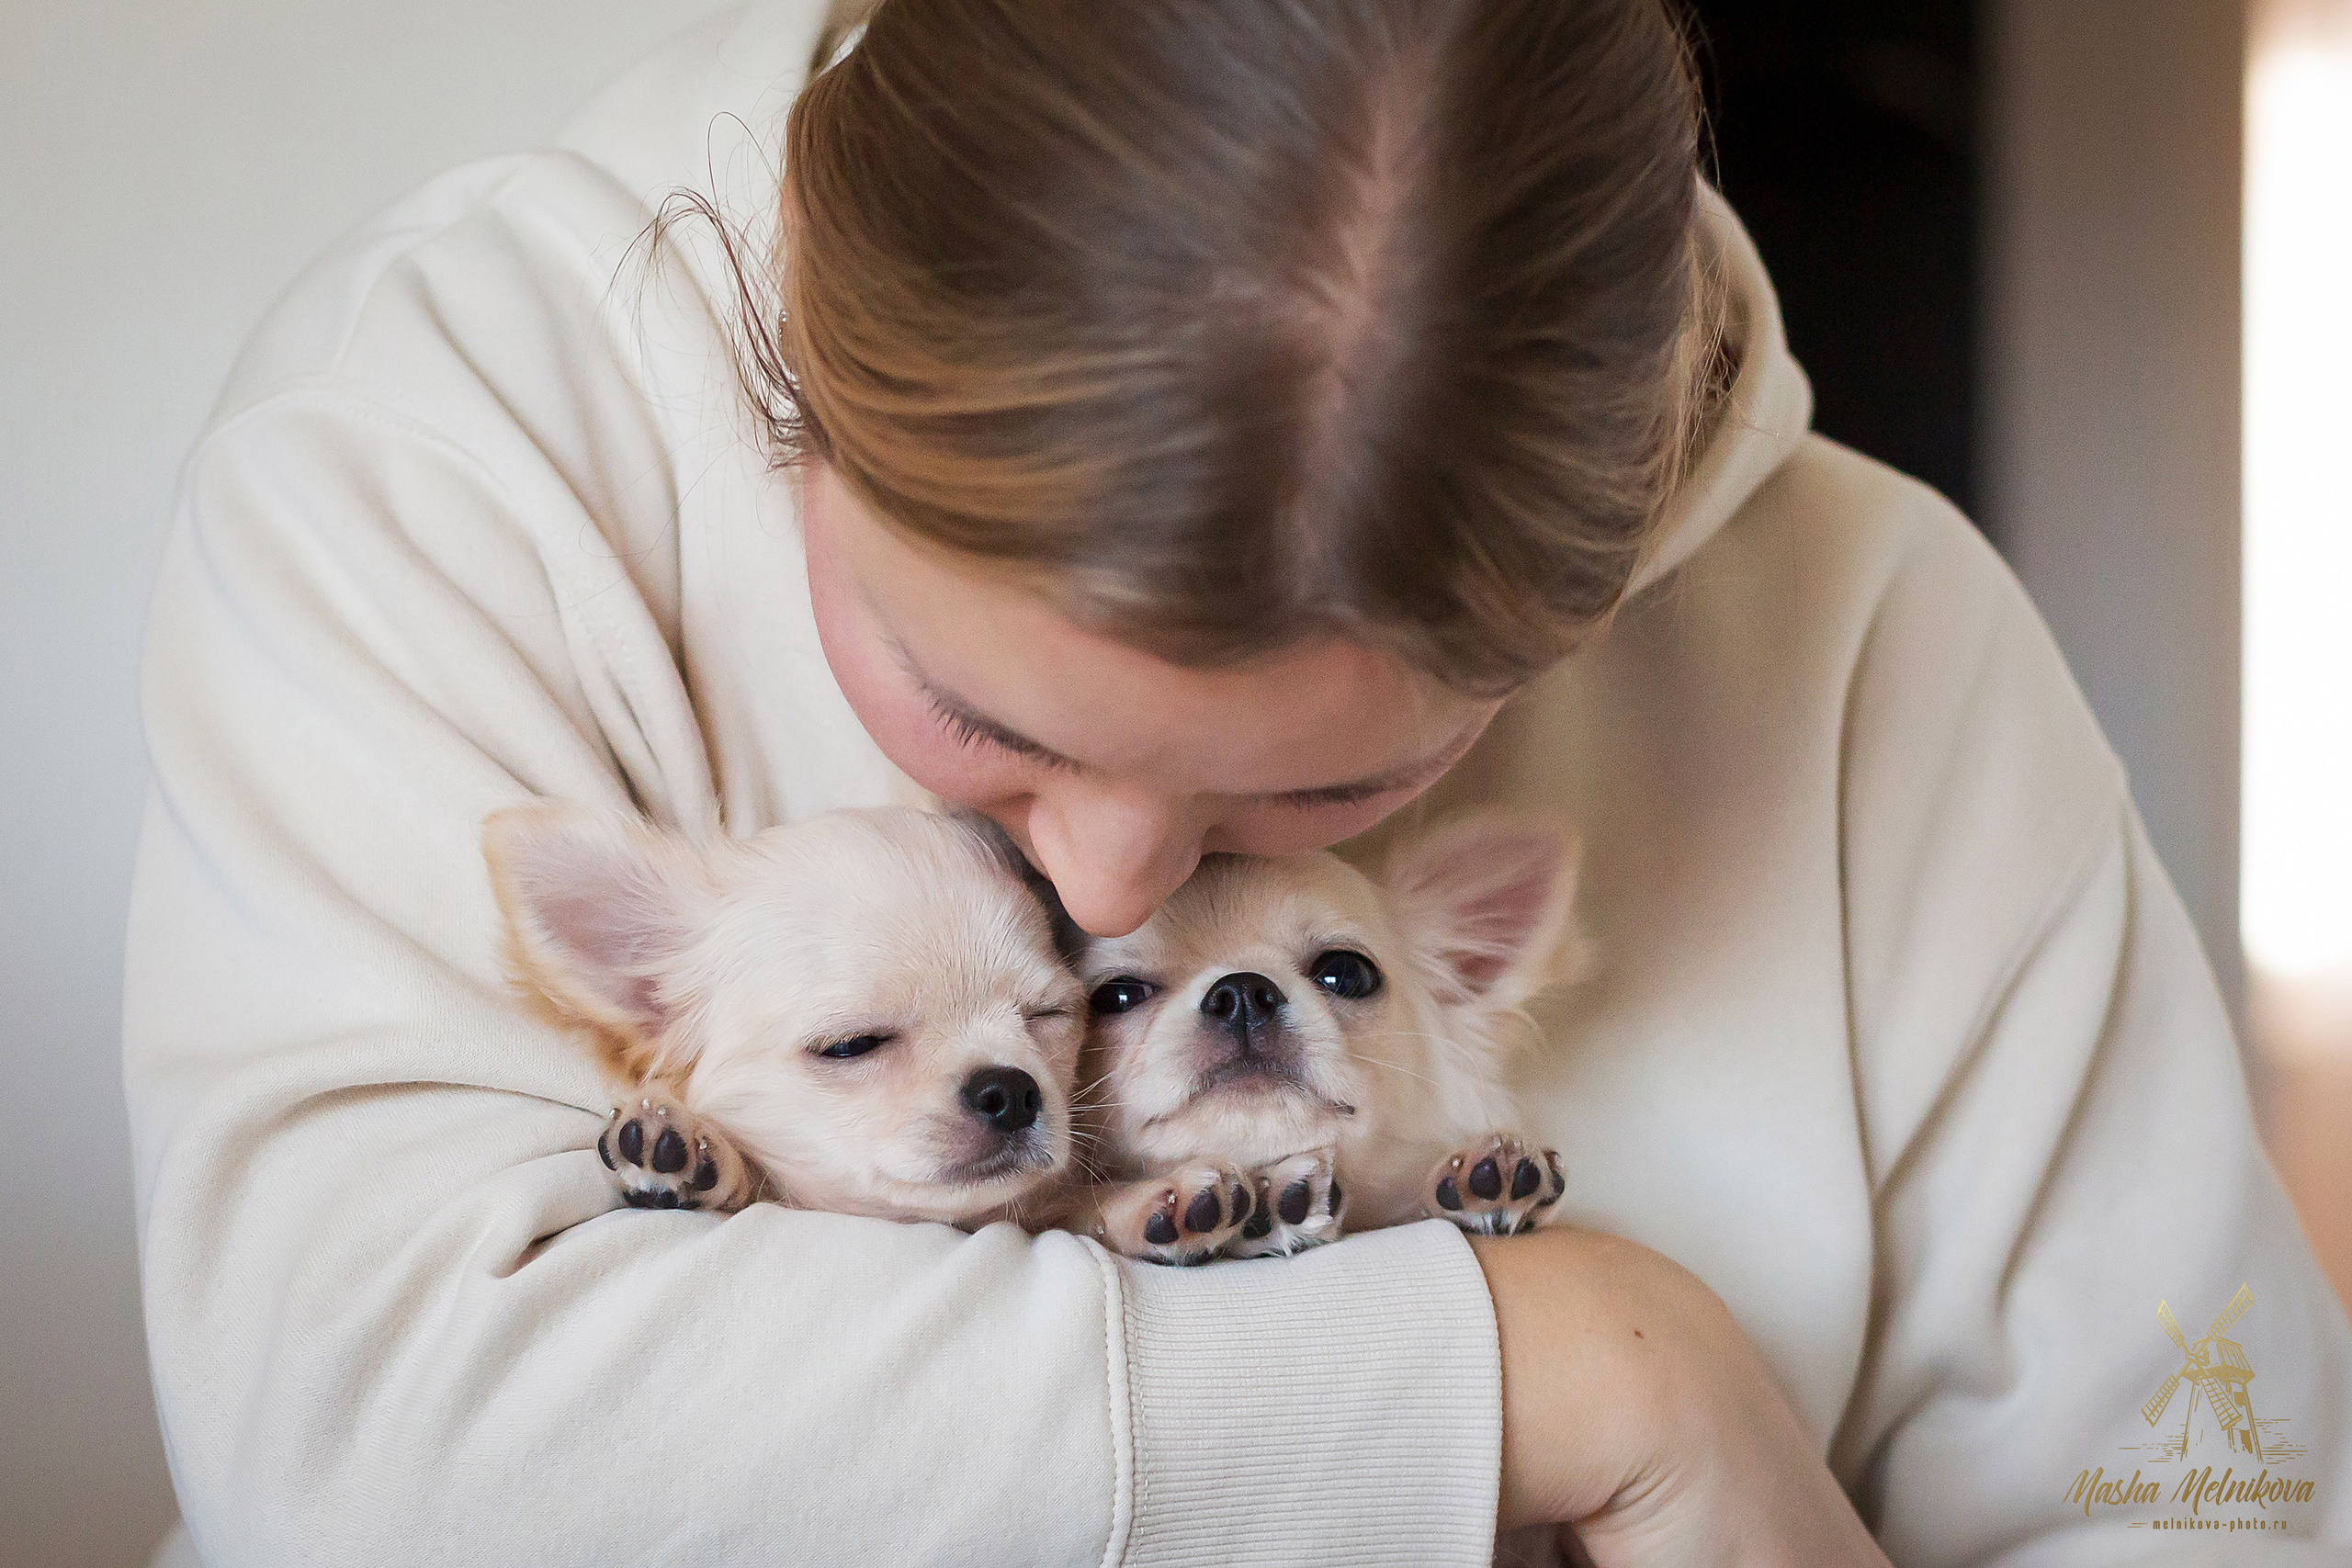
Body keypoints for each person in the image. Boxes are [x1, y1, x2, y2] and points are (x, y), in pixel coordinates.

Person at [125, 0, 2352, 1562]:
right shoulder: (429, 467)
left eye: (1334, 785)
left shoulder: (1882, 648)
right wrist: (1572, 1372)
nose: (1106, 889)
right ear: (788, 331)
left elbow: (2207, 1498)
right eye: (978, 711)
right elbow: (366, 1442)